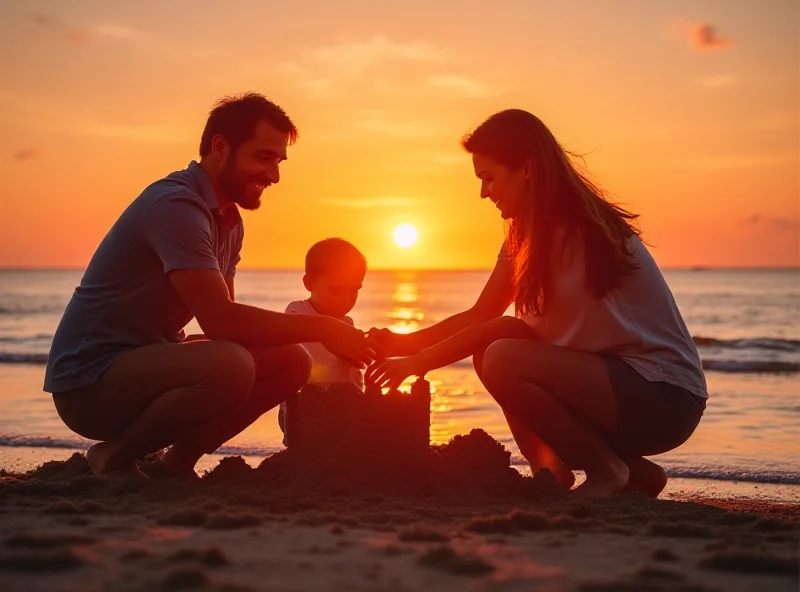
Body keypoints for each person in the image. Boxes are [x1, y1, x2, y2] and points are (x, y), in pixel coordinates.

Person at [365, 109, 707, 498]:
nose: (483, 192)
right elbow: (482, 314)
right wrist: (406, 343)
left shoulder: (573, 230)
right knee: (491, 350)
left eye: (488, 178)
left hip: (663, 398)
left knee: (502, 356)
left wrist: (416, 363)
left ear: (525, 169)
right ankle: (592, 473)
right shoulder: (526, 233)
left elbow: (506, 333)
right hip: (621, 389)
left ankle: (605, 469)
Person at [43, 93, 377, 480]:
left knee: (292, 361)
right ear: (221, 147)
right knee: (230, 364)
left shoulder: (228, 222)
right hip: (89, 387)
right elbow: (223, 323)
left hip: (145, 366)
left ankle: (177, 462)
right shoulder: (176, 206)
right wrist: (324, 327)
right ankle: (113, 456)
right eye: (263, 157)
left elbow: (231, 329)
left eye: (279, 161)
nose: (274, 175)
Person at [278, 238, 368, 445]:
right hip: (302, 409)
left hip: (340, 409)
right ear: (309, 283)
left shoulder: (347, 323)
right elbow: (293, 340)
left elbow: (352, 374)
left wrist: (364, 353)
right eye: (336, 290)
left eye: (354, 291)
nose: (347, 299)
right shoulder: (298, 312)